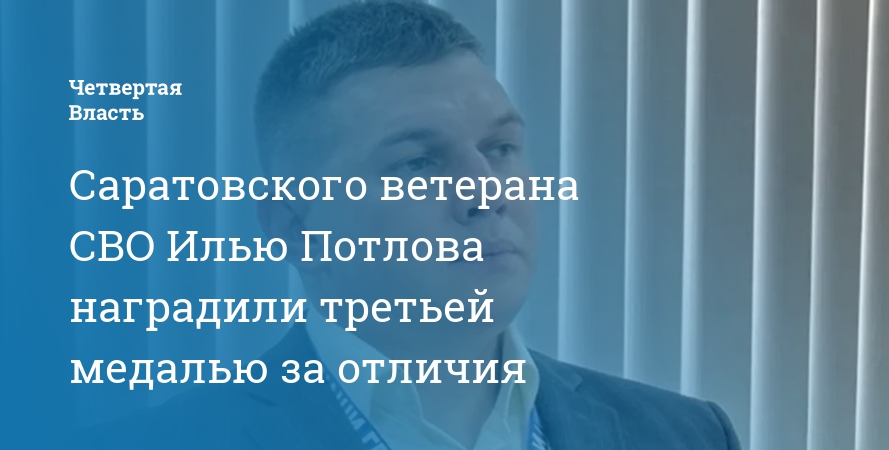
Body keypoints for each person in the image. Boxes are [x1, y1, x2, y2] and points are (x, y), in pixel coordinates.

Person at [80, 1, 741, 449]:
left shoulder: (686, 436)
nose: (485, 192)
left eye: (501, 148)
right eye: (419, 163)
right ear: (294, 226)